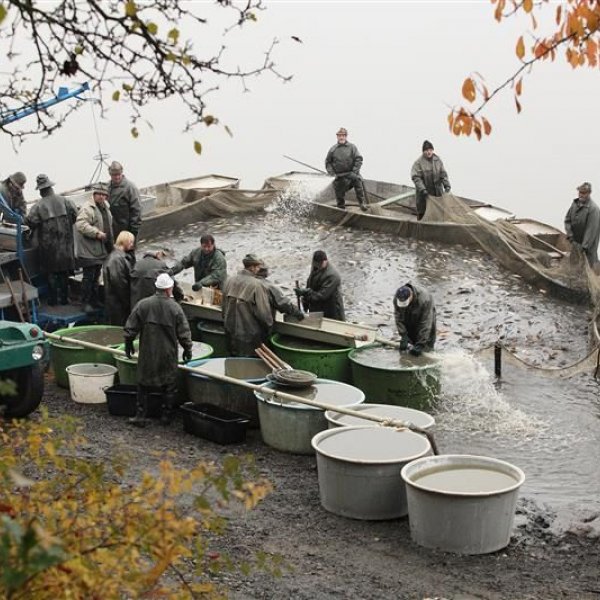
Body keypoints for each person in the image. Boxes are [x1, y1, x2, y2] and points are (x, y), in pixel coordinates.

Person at [124, 273, 193, 427]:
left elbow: (131, 326)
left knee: (143, 383)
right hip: (167, 352)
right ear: (169, 289)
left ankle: (140, 416)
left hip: (148, 351)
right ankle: (166, 417)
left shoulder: (143, 304)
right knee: (169, 384)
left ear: (156, 287)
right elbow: (184, 332)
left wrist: (128, 343)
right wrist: (188, 349)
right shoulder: (175, 308)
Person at [26, 174, 78, 306]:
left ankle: (53, 300)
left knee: (51, 273)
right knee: (64, 273)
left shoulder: (37, 207)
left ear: (40, 190)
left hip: (49, 248)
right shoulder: (66, 201)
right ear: (51, 187)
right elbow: (75, 215)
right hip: (66, 245)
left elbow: (30, 222)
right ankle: (65, 299)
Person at [221, 254, 274, 356]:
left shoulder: (229, 280)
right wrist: (268, 330)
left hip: (230, 332)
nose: (259, 269)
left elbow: (223, 308)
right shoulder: (256, 285)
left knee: (233, 364)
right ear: (253, 267)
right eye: (258, 267)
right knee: (249, 365)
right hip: (249, 337)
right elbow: (264, 315)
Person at [75, 182, 113, 312]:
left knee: (96, 276)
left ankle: (95, 300)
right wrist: (96, 233)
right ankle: (84, 302)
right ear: (94, 194)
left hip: (100, 250)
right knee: (88, 277)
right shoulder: (87, 208)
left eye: (104, 195)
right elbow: (80, 224)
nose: (102, 197)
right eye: (100, 194)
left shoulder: (105, 206)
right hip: (88, 251)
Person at [325, 127, 367, 211]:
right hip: (339, 175)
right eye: (339, 136)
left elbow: (359, 159)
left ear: (346, 136)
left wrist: (355, 171)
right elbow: (328, 162)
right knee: (338, 189)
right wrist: (332, 173)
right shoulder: (333, 149)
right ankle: (341, 207)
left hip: (350, 173)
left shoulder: (352, 147)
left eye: (343, 135)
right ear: (337, 137)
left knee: (358, 180)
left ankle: (361, 203)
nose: (341, 137)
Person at [295, 250, 345, 321]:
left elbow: (322, 296)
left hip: (332, 312)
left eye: (320, 264)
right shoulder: (316, 268)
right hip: (318, 310)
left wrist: (306, 292)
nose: (318, 266)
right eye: (316, 264)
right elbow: (310, 284)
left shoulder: (333, 276)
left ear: (325, 261)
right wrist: (305, 299)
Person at [410, 140, 451, 221]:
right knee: (422, 214)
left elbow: (443, 174)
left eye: (430, 150)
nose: (429, 152)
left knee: (439, 214)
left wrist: (447, 185)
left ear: (432, 150)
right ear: (423, 151)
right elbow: (416, 177)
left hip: (437, 195)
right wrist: (423, 190)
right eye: (426, 150)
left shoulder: (438, 160)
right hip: (424, 196)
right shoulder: (418, 163)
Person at [393, 283, 436, 356]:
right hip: (408, 318)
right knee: (410, 344)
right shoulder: (397, 298)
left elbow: (426, 323)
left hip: (424, 317)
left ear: (411, 295)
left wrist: (421, 344)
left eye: (405, 302)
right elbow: (398, 317)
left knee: (426, 347)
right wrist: (403, 335)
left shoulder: (425, 299)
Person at [102, 230, 135, 325]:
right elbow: (119, 283)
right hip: (117, 304)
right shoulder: (117, 259)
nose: (132, 244)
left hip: (115, 302)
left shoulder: (117, 257)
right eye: (131, 241)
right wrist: (128, 302)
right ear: (125, 241)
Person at [564, 182, 600, 267]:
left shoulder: (593, 209)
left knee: (588, 267)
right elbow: (567, 220)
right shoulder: (574, 204)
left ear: (589, 193)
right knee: (574, 266)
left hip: (588, 248)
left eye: (584, 193)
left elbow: (591, 230)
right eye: (580, 192)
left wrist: (584, 247)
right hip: (575, 244)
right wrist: (570, 235)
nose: (581, 195)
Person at [107, 160, 142, 240]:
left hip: (127, 231)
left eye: (119, 174)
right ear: (110, 175)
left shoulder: (130, 187)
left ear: (122, 173)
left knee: (127, 252)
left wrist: (133, 232)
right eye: (114, 175)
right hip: (113, 231)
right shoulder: (108, 187)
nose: (117, 177)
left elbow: (137, 211)